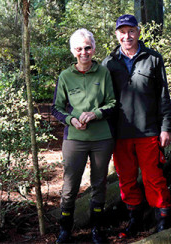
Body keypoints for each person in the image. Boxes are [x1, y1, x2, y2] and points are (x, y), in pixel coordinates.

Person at [102, 14, 171, 238]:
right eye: (122, 32)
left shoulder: (153, 58)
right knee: (126, 179)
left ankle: (161, 220)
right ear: (116, 35)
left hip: (149, 131)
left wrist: (166, 127)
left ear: (138, 32)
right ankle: (134, 219)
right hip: (120, 134)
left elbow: (163, 95)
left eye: (131, 31)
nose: (127, 36)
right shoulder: (108, 63)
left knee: (154, 177)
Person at [52, 28, 116, 244]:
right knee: (70, 186)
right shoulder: (65, 76)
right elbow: (56, 108)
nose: (84, 52)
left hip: (102, 138)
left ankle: (97, 229)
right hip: (75, 138)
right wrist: (72, 120)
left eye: (88, 47)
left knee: (99, 184)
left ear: (94, 48)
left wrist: (96, 113)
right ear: (72, 51)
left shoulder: (103, 72)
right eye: (79, 48)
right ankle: (65, 229)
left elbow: (113, 103)